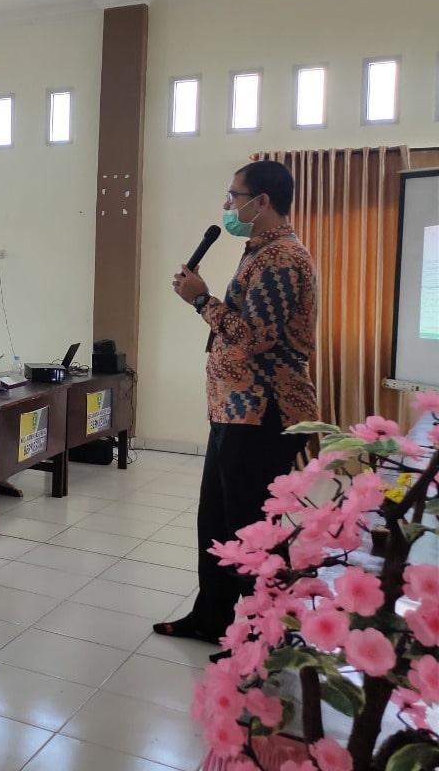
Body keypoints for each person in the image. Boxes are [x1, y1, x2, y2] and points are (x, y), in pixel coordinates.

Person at [156, 160, 316, 648]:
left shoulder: (282, 258)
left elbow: (255, 338)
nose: (228, 206)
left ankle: (265, 638)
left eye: (234, 196)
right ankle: (212, 618)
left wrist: (201, 300)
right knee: (218, 523)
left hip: (264, 413)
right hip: (235, 410)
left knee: (251, 530)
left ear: (261, 201)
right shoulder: (259, 252)